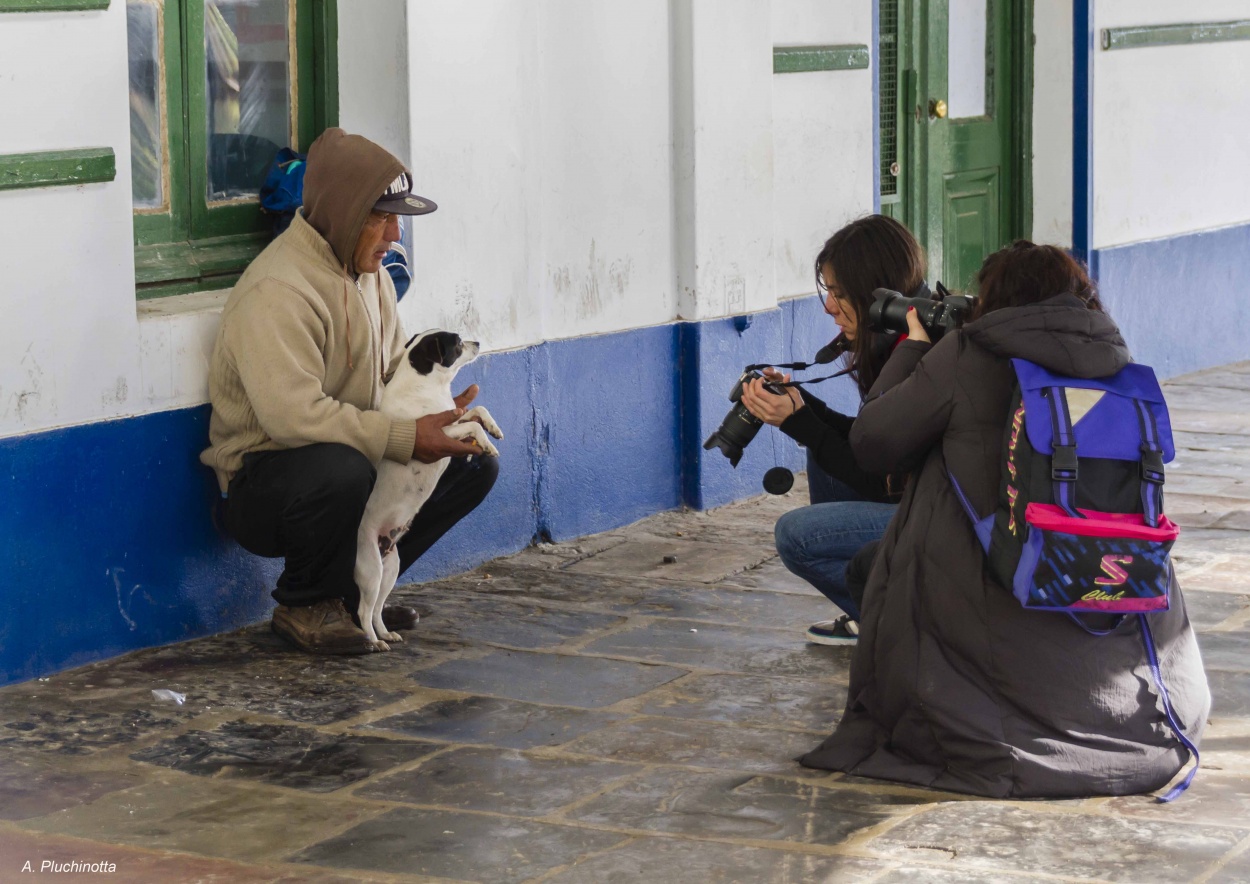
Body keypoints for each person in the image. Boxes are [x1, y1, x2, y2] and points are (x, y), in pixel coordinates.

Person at [800, 241, 1210, 797]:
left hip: (987, 611)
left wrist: (916, 346)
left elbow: (871, 441)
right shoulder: (1115, 360)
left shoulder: (968, 353)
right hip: (1113, 599)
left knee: (879, 562)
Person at [200, 128, 498, 656]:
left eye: (397, 219)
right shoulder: (277, 291)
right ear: (343, 212)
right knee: (343, 468)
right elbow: (295, 419)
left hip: (348, 455)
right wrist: (407, 436)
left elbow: (389, 373)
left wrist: (432, 415)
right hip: (267, 483)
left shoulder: (370, 275)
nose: (395, 235)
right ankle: (306, 603)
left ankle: (361, 599)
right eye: (382, 217)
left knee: (473, 461)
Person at [740, 215, 925, 645]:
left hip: (940, 514)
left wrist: (800, 422)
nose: (829, 308)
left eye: (840, 295)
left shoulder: (919, 350)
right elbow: (872, 439)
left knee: (797, 536)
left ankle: (906, 628)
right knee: (821, 452)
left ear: (877, 293)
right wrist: (803, 407)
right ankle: (879, 608)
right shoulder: (900, 334)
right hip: (917, 497)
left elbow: (883, 475)